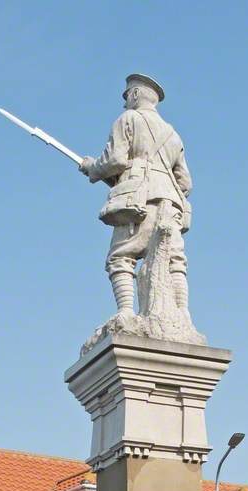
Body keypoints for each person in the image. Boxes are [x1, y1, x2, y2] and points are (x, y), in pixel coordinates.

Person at [79, 74, 192, 318]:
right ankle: (183, 313)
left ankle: (126, 313)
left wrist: (93, 168)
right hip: (171, 204)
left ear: (136, 94)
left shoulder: (128, 119)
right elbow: (185, 181)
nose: (125, 102)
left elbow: (115, 159)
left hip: (139, 202)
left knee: (121, 257)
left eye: (127, 96)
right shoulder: (173, 135)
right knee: (174, 261)